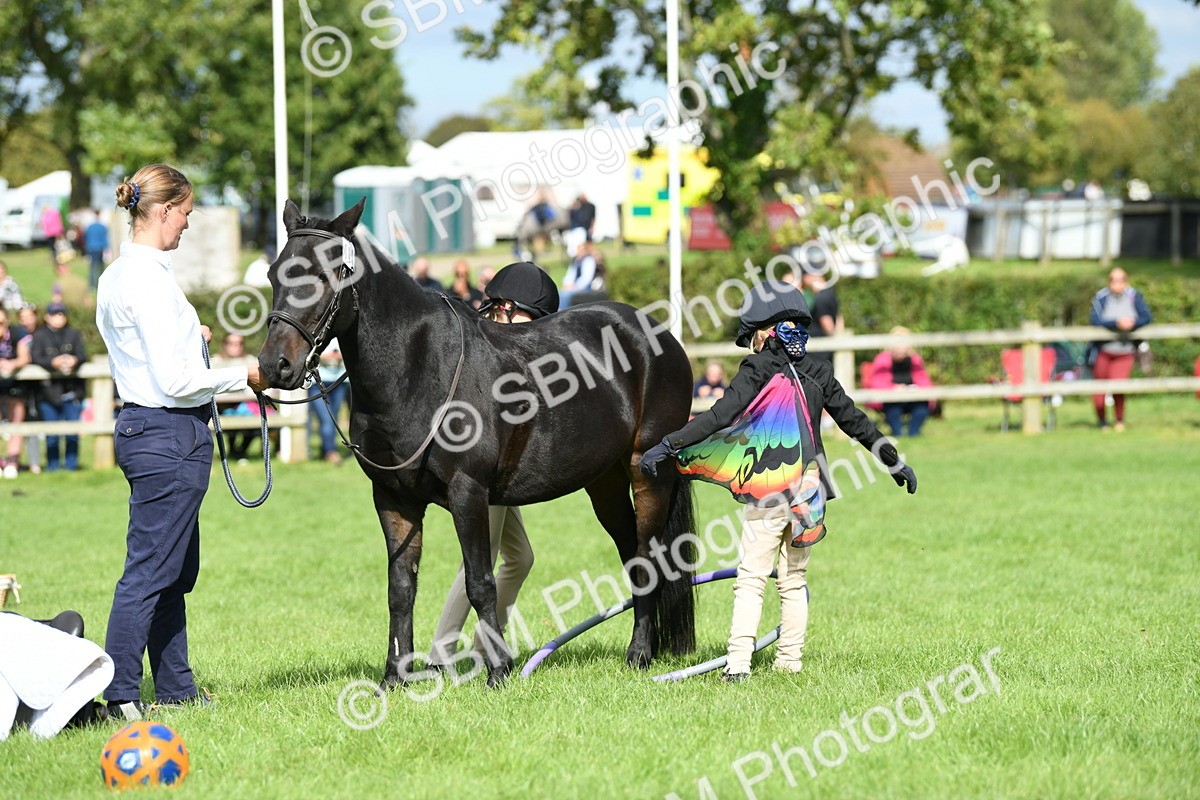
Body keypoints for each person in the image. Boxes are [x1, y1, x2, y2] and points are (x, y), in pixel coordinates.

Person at [640, 280, 917, 682]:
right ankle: (790, 662)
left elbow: (719, 416)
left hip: (771, 488)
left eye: (751, 337)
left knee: (751, 578)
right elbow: (855, 421)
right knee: (793, 579)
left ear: (766, 330)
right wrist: (893, 461)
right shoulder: (819, 371)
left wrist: (669, 444)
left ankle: (738, 665)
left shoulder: (757, 369)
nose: (751, 345)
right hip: (811, 491)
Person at [96, 163, 269, 721]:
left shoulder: (117, 275)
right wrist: (243, 373)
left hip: (146, 428)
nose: (188, 224)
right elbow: (174, 381)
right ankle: (120, 695)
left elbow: (144, 353)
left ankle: (176, 687)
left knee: (170, 570)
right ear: (166, 210)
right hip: (167, 432)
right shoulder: (148, 280)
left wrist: (191, 337)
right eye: (186, 213)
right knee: (149, 571)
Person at [427, 261, 558, 669]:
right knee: (481, 559)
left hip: (504, 471)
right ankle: (441, 655)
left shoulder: (503, 348)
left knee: (521, 559)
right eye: (533, 318)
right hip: (481, 468)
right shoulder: (481, 349)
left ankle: (485, 645)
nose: (537, 330)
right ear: (505, 308)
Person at [1089, 267, 1151, 431]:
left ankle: (1119, 420)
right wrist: (1116, 323)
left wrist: (1132, 323)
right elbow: (1095, 320)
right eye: (1113, 280)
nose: (1116, 283)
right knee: (1099, 388)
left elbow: (1146, 317)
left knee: (1119, 386)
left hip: (1124, 351)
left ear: (1126, 281)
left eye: (1120, 280)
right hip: (1103, 350)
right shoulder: (1101, 297)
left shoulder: (1134, 296)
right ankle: (1102, 422)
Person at [29, 302, 87, 471]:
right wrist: (52, 362)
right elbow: (35, 358)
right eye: (54, 314)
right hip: (48, 392)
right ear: (47, 317)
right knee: (51, 433)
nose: (58, 318)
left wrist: (74, 360)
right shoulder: (40, 336)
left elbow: (82, 355)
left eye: (61, 314)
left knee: (72, 432)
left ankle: (71, 466)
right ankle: (52, 466)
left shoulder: (74, 334)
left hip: (72, 391)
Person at [866, 326, 935, 437]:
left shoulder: (916, 360)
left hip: (913, 398)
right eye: (898, 343)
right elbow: (876, 383)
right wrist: (894, 388)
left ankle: (913, 435)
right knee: (893, 408)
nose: (901, 347)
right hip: (891, 400)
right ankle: (898, 434)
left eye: (904, 343)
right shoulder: (882, 359)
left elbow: (925, 382)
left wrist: (915, 389)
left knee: (921, 408)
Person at [0, 307, 32, 478]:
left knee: (16, 422)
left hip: (15, 383)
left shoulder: (17, 332)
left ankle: (12, 463)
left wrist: (12, 364)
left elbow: (25, 357)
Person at [308, 337, 349, 464]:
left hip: (339, 382)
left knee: (333, 418)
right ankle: (331, 451)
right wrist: (326, 356)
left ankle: (325, 449)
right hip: (318, 383)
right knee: (327, 418)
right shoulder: (317, 332)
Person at [15, 304, 43, 473]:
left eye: (29, 316)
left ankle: (35, 463)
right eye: (22, 318)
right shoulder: (16, 336)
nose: (26, 321)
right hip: (18, 387)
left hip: (40, 388)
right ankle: (13, 461)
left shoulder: (42, 335)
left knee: (33, 422)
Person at [800, 272, 840, 364]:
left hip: (821, 347)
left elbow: (826, 322)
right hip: (829, 344)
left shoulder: (820, 298)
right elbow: (838, 316)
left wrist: (832, 335)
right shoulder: (831, 293)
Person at [559, 240, 605, 310]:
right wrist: (567, 283)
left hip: (585, 288)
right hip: (574, 287)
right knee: (559, 294)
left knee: (566, 296)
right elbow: (570, 275)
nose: (579, 251)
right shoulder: (576, 260)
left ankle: (563, 312)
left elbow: (586, 278)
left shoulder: (589, 260)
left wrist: (575, 286)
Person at [84, 212, 110, 291]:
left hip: (91, 248)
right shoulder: (102, 227)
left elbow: (86, 237)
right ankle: (101, 284)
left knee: (92, 267)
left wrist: (86, 248)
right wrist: (106, 248)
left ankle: (92, 285)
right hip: (100, 248)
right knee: (101, 267)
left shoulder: (90, 227)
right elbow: (105, 238)